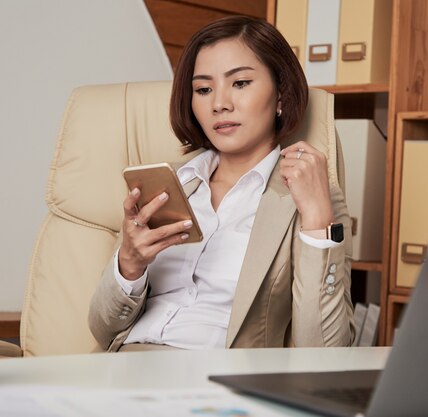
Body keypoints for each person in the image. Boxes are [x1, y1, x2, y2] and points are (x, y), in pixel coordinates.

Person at [88, 16, 354, 352]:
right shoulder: (168, 184)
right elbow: (102, 330)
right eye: (203, 89)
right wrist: (129, 263)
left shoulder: (310, 198)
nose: (219, 103)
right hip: (119, 369)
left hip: (212, 383)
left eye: (240, 83)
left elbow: (326, 353)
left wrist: (317, 221)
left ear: (281, 95)